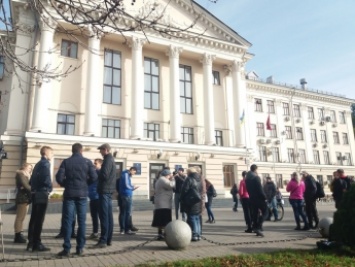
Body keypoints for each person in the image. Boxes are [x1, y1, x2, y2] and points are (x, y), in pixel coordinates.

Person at [56, 143, 98, 256]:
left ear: (72, 150)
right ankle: (80, 248)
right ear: (81, 151)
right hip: (82, 194)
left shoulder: (66, 162)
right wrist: (85, 184)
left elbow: (58, 177)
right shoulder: (88, 162)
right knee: (82, 222)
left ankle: (66, 248)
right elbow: (94, 177)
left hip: (69, 194)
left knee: (68, 222)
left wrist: (66, 184)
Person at [27, 146, 53, 252]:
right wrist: (50, 188)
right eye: (51, 153)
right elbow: (45, 178)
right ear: (46, 154)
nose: (52, 155)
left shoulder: (37, 164)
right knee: (39, 219)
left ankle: (31, 242)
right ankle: (37, 243)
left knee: (34, 218)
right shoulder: (45, 163)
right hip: (42, 193)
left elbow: (31, 181)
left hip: (35, 193)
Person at [93, 143, 116, 248]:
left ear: (106, 150)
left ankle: (103, 240)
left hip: (105, 190)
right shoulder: (111, 159)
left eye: (101, 150)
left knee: (104, 216)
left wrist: (97, 172)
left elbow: (104, 175)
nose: (100, 152)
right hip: (108, 190)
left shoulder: (107, 160)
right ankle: (108, 239)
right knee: (109, 216)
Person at [180, 167, 203, 241]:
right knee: (197, 218)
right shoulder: (200, 179)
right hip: (197, 201)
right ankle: (198, 234)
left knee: (192, 218)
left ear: (189, 172)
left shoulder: (189, 179)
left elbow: (184, 190)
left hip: (190, 201)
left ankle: (195, 235)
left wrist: (181, 198)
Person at [151, 169, 175, 240]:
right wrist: (173, 179)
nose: (171, 175)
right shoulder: (163, 180)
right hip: (163, 203)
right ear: (167, 175)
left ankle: (160, 233)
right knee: (164, 220)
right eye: (170, 174)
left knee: (161, 220)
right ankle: (163, 234)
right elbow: (171, 185)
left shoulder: (160, 179)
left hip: (162, 203)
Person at [245, 164, 267, 237]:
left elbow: (248, 189)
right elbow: (260, 189)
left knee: (255, 213)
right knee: (266, 212)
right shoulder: (256, 178)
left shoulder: (247, 178)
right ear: (255, 169)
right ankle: (258, 227)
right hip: (259, 198)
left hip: (251, 198)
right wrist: (265, 197)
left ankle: (255, 227)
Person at [14, 163, 32, 243]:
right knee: (20, 218)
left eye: (31, 168)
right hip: (22, 198)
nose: (30, 170)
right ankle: (17, 235)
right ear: (24, 167)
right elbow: (26, 185)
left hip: (25, 198)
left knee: (22, 217)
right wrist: (33, 189)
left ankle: (19, 233)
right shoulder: (21, 174)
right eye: (28, 168)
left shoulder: (26, 175)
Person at [119, 166, 139, 235]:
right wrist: (133, 187)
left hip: (124, 194)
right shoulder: (126, 174)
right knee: (127, 213)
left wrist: (132, 188)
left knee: (123, 213)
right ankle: (126, 229)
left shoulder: (124, 174)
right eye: (134, 172)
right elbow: (127, 185)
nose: (133, 174)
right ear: (132, 170)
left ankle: (122, 229)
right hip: (127, 195)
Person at [88, 158, 102, 239]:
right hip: (92, 197)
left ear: (100, 164)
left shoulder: (100, 173)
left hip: (98, 197)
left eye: (96, 163)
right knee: (94, 216)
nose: (94, 164)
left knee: (100, 216)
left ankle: (103, 234)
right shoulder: (93, 172)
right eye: (94, 163)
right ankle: (95, 232)